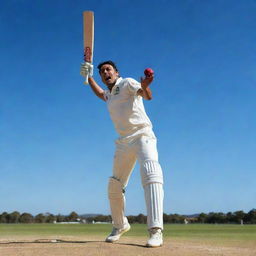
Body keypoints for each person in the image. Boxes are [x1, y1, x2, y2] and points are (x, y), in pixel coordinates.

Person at [80, 61, 164, 247]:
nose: (105, 72)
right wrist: (89, 77)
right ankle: (120, 225)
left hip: (142, 135)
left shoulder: (127, 83)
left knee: (151, 173)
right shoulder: (109, 94)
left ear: (117, 72)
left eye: (108, 69)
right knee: (114, 185)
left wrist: (145, 87)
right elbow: (101, 94)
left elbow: (146, 95)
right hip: (123, 141)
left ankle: (155, 230)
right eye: (102, 71)